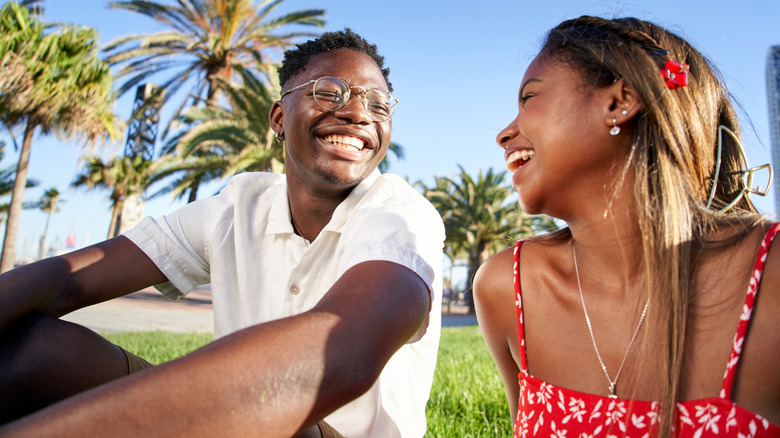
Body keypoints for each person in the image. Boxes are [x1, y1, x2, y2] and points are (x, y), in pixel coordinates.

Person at [0, 28, 445, 438]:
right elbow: (66, 276)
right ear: (277, 116)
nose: (356, 114)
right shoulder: (238, 206)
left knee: (268, 408)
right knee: (32, 351)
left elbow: (340, 355)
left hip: (304, 427)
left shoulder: (403, 217)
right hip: (238, 418)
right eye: (329, 92)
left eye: (379, 104)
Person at [474, 15, 780, 437]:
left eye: (529, 98)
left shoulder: (771, 278)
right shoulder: (507, 288)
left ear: (620, 102)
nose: (505, 134)